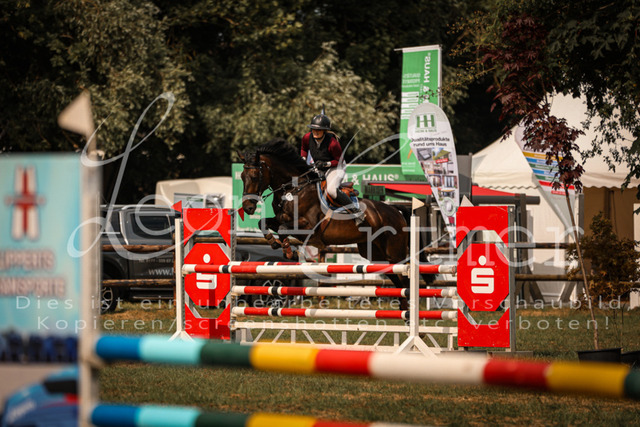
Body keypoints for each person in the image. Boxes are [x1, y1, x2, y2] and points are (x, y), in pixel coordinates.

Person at [300, 108, 364, 224]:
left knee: (331, 190)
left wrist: (326, 164)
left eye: (319, 130)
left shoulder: (333, 143)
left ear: (325, 131)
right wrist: (303, 160)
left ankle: (356, 211)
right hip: (319, 167)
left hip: (336, 167)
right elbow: (304, 149)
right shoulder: (307, 137)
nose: (315, 132)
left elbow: (339, 160)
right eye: (314, 129)